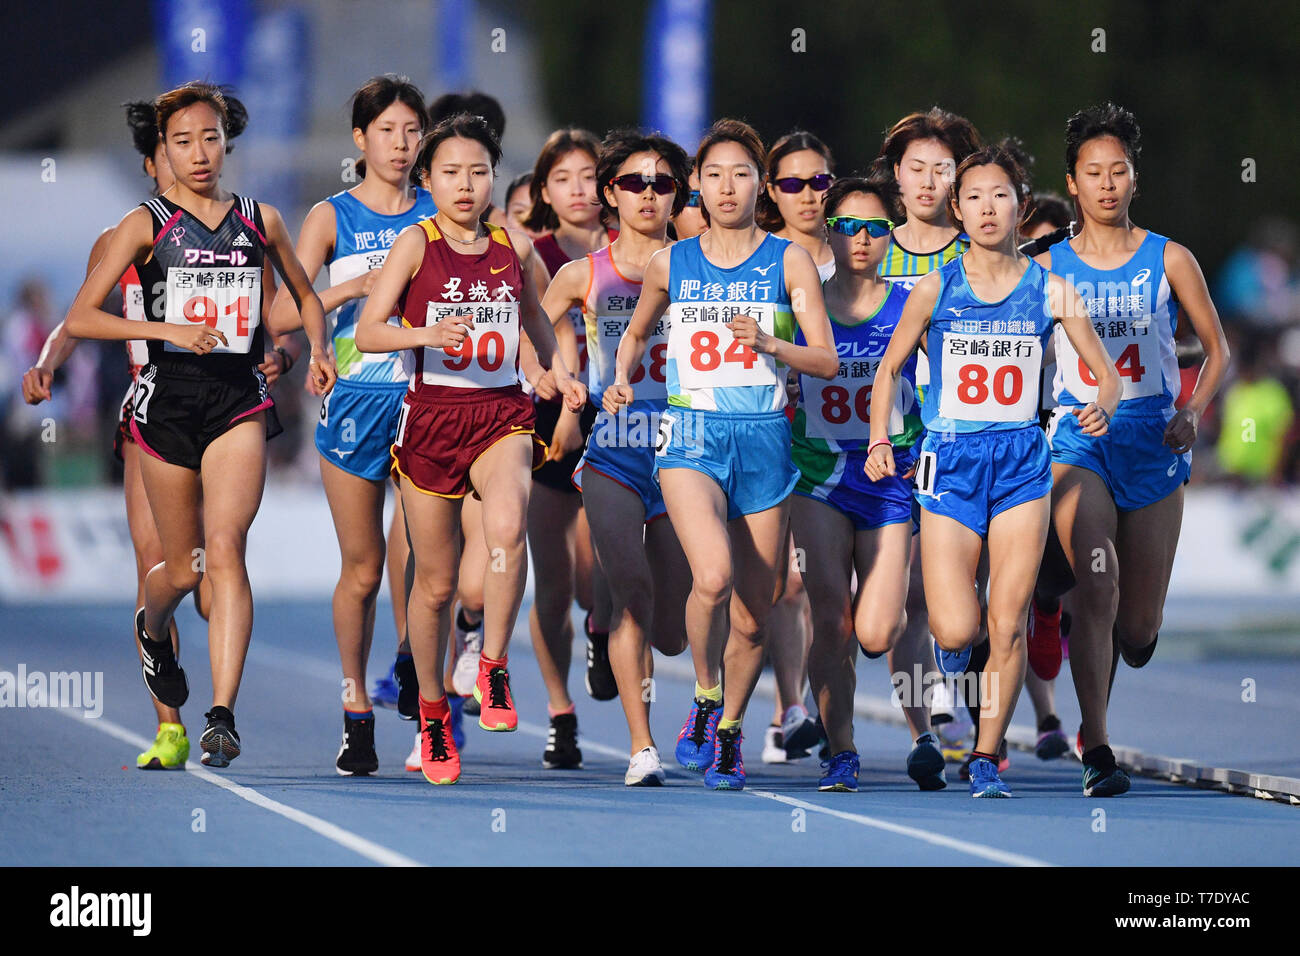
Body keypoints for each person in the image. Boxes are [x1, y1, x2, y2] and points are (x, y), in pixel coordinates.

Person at [65, 81, 333, 768]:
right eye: (183, 141)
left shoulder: (259, 218)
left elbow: (300, 298)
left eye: (210, 137)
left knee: (225, 549)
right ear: (163, 152)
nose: (200, 152)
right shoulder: (143, 224)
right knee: (180, 572)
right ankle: (154, 631)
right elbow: (82, 318)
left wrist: (311, 351)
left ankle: (220, 715)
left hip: (237, 400)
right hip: (165, 406)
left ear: (226, 141)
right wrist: (166, 328)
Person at [867, 143, 1120, 798]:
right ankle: (957, 663)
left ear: (1021, 206)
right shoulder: (935, 286)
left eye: (1000, 195)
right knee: (957, 627)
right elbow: (890, 369)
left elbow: (1107, 374)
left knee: (1005, 620)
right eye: (973, 196)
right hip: (948, 463)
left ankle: (984, 754)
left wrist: (1102, 406)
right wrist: (878, 438)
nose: (986, 207)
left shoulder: (1051, 289)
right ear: (958, 208)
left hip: (1021, 464)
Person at [605, 118, 838, 790]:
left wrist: (773, 346)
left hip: (764, 441)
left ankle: (731, 729)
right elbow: (636, 330)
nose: (727, 186)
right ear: (695, 188)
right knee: (710, 577)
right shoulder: (672, 262)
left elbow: (823, 358)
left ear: (759, 185)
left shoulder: (786, 260)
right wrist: (622, 375)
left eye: (740, 174)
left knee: (754, 611)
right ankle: (707, 696)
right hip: (691, 438)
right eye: (714, 175)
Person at [353, 112, 585, 785]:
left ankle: (494, 666)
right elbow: (369, 332)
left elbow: (535, 316)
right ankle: (431, 712)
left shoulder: (512, 245)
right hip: (430, 420)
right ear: (427, 179)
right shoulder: (415, 245)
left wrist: (549, 371)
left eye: (478, 172)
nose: (466, 184)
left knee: (508, 529)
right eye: (451, 172)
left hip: (499, 416)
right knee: (434, 586)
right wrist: (424, 335)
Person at [1038, 104, 1229, 795]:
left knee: (1139, 628)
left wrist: (1194, 410)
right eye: (1094, 173)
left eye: (1119, 171)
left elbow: (1218, 349)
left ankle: (1117, 643)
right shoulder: (1046, 265)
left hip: (1154, 442)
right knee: (1099, 582)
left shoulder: (1169, 257)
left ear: (1133, 180)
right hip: (1080, 443)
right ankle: (1097, 746)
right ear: (1074, 182)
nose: (1108, 184)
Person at [268, 75, 433, 775]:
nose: (401, 144)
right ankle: (356, 708)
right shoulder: (332, 217)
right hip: (355, 404)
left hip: (429, 403)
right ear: (361, 138)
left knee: (429, 566)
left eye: (412, 130)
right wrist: (351, 289)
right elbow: (278, 314)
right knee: (363, 571)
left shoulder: (440, 211)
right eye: (387, 130)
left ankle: (424, 697)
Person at [559, 128, 692, 783]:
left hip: (685, 457)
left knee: (672, 633)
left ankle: (605, 613)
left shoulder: (699, 267)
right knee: (636, 594)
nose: (648, 194)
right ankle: (643, 747)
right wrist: (552, 373)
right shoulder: (583, 273)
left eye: (662, 183)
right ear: (610, 192)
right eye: (635, 183)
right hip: (614, 452)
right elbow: (526, 316)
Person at [789, 175, 918, 791]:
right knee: (831, 618)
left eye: (874, 227)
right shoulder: (800, 300)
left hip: (889, 478)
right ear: (829, 234)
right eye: (847, 227)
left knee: (876, 633)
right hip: (818, 476)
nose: (861, 239)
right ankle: (841, 746)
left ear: (892, 235)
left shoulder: (912, 303)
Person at [873, 107, 983, 782]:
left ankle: (962, 708)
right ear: (895, 174)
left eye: (943, 169)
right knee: (901, 599)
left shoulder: (982, 253)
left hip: (968, 441)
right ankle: (923, 729)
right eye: (916, 167)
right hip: (880, 441)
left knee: (960, 597)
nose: (928, 181)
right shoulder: (867, 246)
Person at [521, 128, 619, 718]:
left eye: (589, 176)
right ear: (544, 193)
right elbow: (531, 336)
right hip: (550, 418)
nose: (579, 190)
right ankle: (560, 712)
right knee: (554, 586)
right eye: (563, 179)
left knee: (597, 574)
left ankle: (603, 630)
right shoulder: (535, 255)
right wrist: (562, 405)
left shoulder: (639, 246)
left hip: (619, 416)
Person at [755, 130, 838, 761]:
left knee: (861, 601)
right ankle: (791, 708)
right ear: (770, 193)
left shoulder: (864, 251)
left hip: (860, 443)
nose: (808, 195)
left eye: (819, 182)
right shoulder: (761, 261)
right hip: (779, 432)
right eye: (791, 184)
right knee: (783, 582)